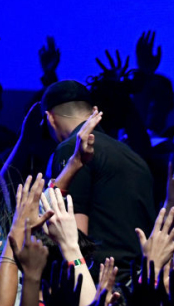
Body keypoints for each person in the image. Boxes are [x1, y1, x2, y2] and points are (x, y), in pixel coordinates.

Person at [42, 80, 155, 277]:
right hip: (134, 281)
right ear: (94, 111)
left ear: (50, 118)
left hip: (98, 284)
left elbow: (75, 235)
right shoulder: (131, 155)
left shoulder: (72, 149)